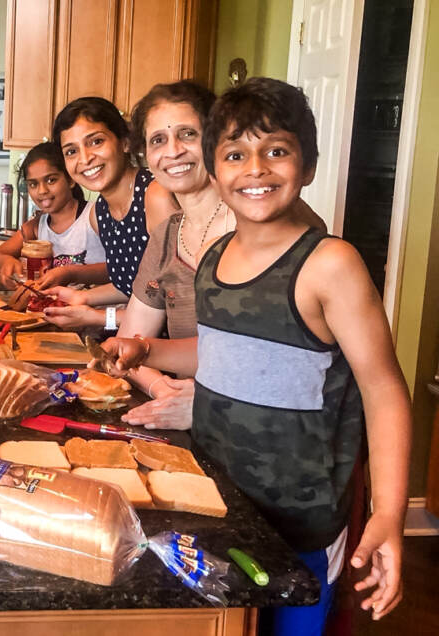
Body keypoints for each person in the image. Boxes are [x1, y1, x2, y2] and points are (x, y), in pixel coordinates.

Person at [100, 78, 411, 634]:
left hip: (303, 518)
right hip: (223, 502)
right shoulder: (217, 256)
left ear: (308, 165)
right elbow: (223, 356)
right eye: (237, 155)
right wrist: (147, 347)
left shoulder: (328, 264)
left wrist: (388, 512)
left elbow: (384, 389)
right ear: (216, 173)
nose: (256, 169)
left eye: (277, 151)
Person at [44, 81, 325, 429]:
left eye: (187, 134)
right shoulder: (166, 237)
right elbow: (133, 343)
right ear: (146, 152)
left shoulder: (261, 218)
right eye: (158, 140)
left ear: (214, 141)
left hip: (273, 433)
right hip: (193, 417)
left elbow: (286, 359)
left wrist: (207, 401)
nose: (173, 151)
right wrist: (162, 387)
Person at [40, 96, 177, 309]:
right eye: (71, 151)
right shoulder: (99, 214)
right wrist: (81, 299)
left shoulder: (155, 196)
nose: (85, 159)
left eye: (96, 141)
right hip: (133, 335)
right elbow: (128, 287)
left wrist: (98, 317)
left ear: (124, 142)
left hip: (170, 339)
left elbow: (172, 297)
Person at [0, 142, 106, 289]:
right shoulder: (34, 227)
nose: (42, 191)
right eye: (33, 184)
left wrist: (71, 272)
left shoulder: (95, 215)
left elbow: (124, 267)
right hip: (56, 311)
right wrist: (5, 261)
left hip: (103, 310)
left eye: (51, 180)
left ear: (70, 179)